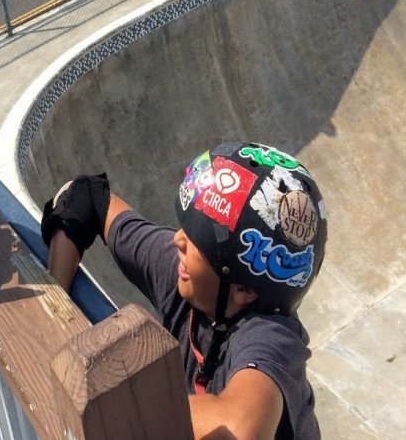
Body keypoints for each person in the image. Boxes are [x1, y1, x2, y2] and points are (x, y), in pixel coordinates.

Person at [43, 142, 326, 439]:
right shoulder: (184, 273)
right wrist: (54, 304)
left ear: (242, 288)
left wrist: (113, 406)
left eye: (196, 241)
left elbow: (241, 429)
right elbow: (84, 196)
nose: (178, 240)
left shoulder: (271, 336)